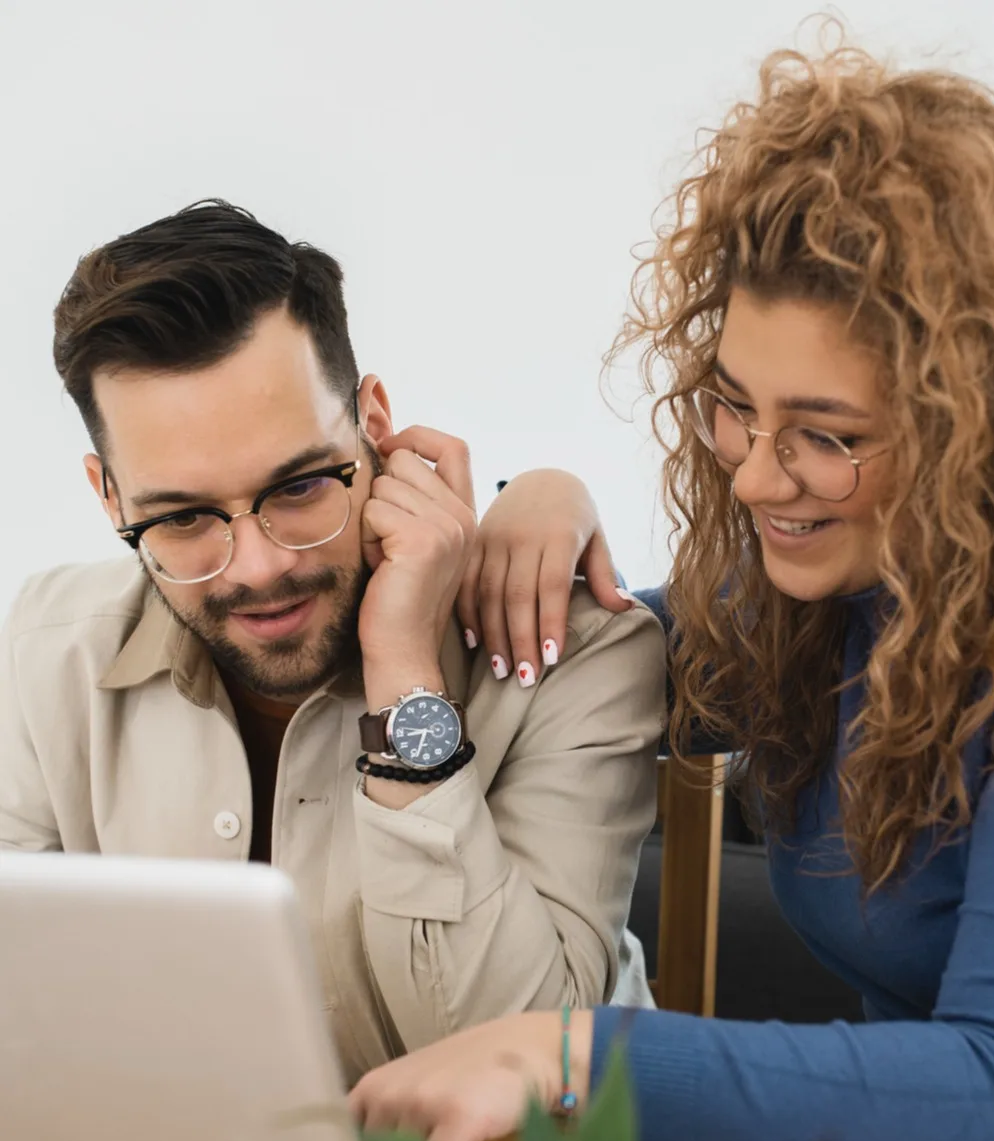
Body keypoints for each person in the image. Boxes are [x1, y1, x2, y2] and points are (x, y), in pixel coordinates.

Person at [349, 44, 994, 1141]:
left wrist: (571, 1054)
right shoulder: (813, 606)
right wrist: (540, 502)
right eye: (734, 408)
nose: (753, 478)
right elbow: (603, 645)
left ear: (978, 422)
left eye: (826, 434)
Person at [0, 200, 666, 1083]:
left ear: (374, 424)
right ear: (109, 496)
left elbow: (525, 1074)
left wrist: (404, 681)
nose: (260, 566)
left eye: (302, 485)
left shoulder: (574, 653)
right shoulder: (50, 648)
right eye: (184, 515)